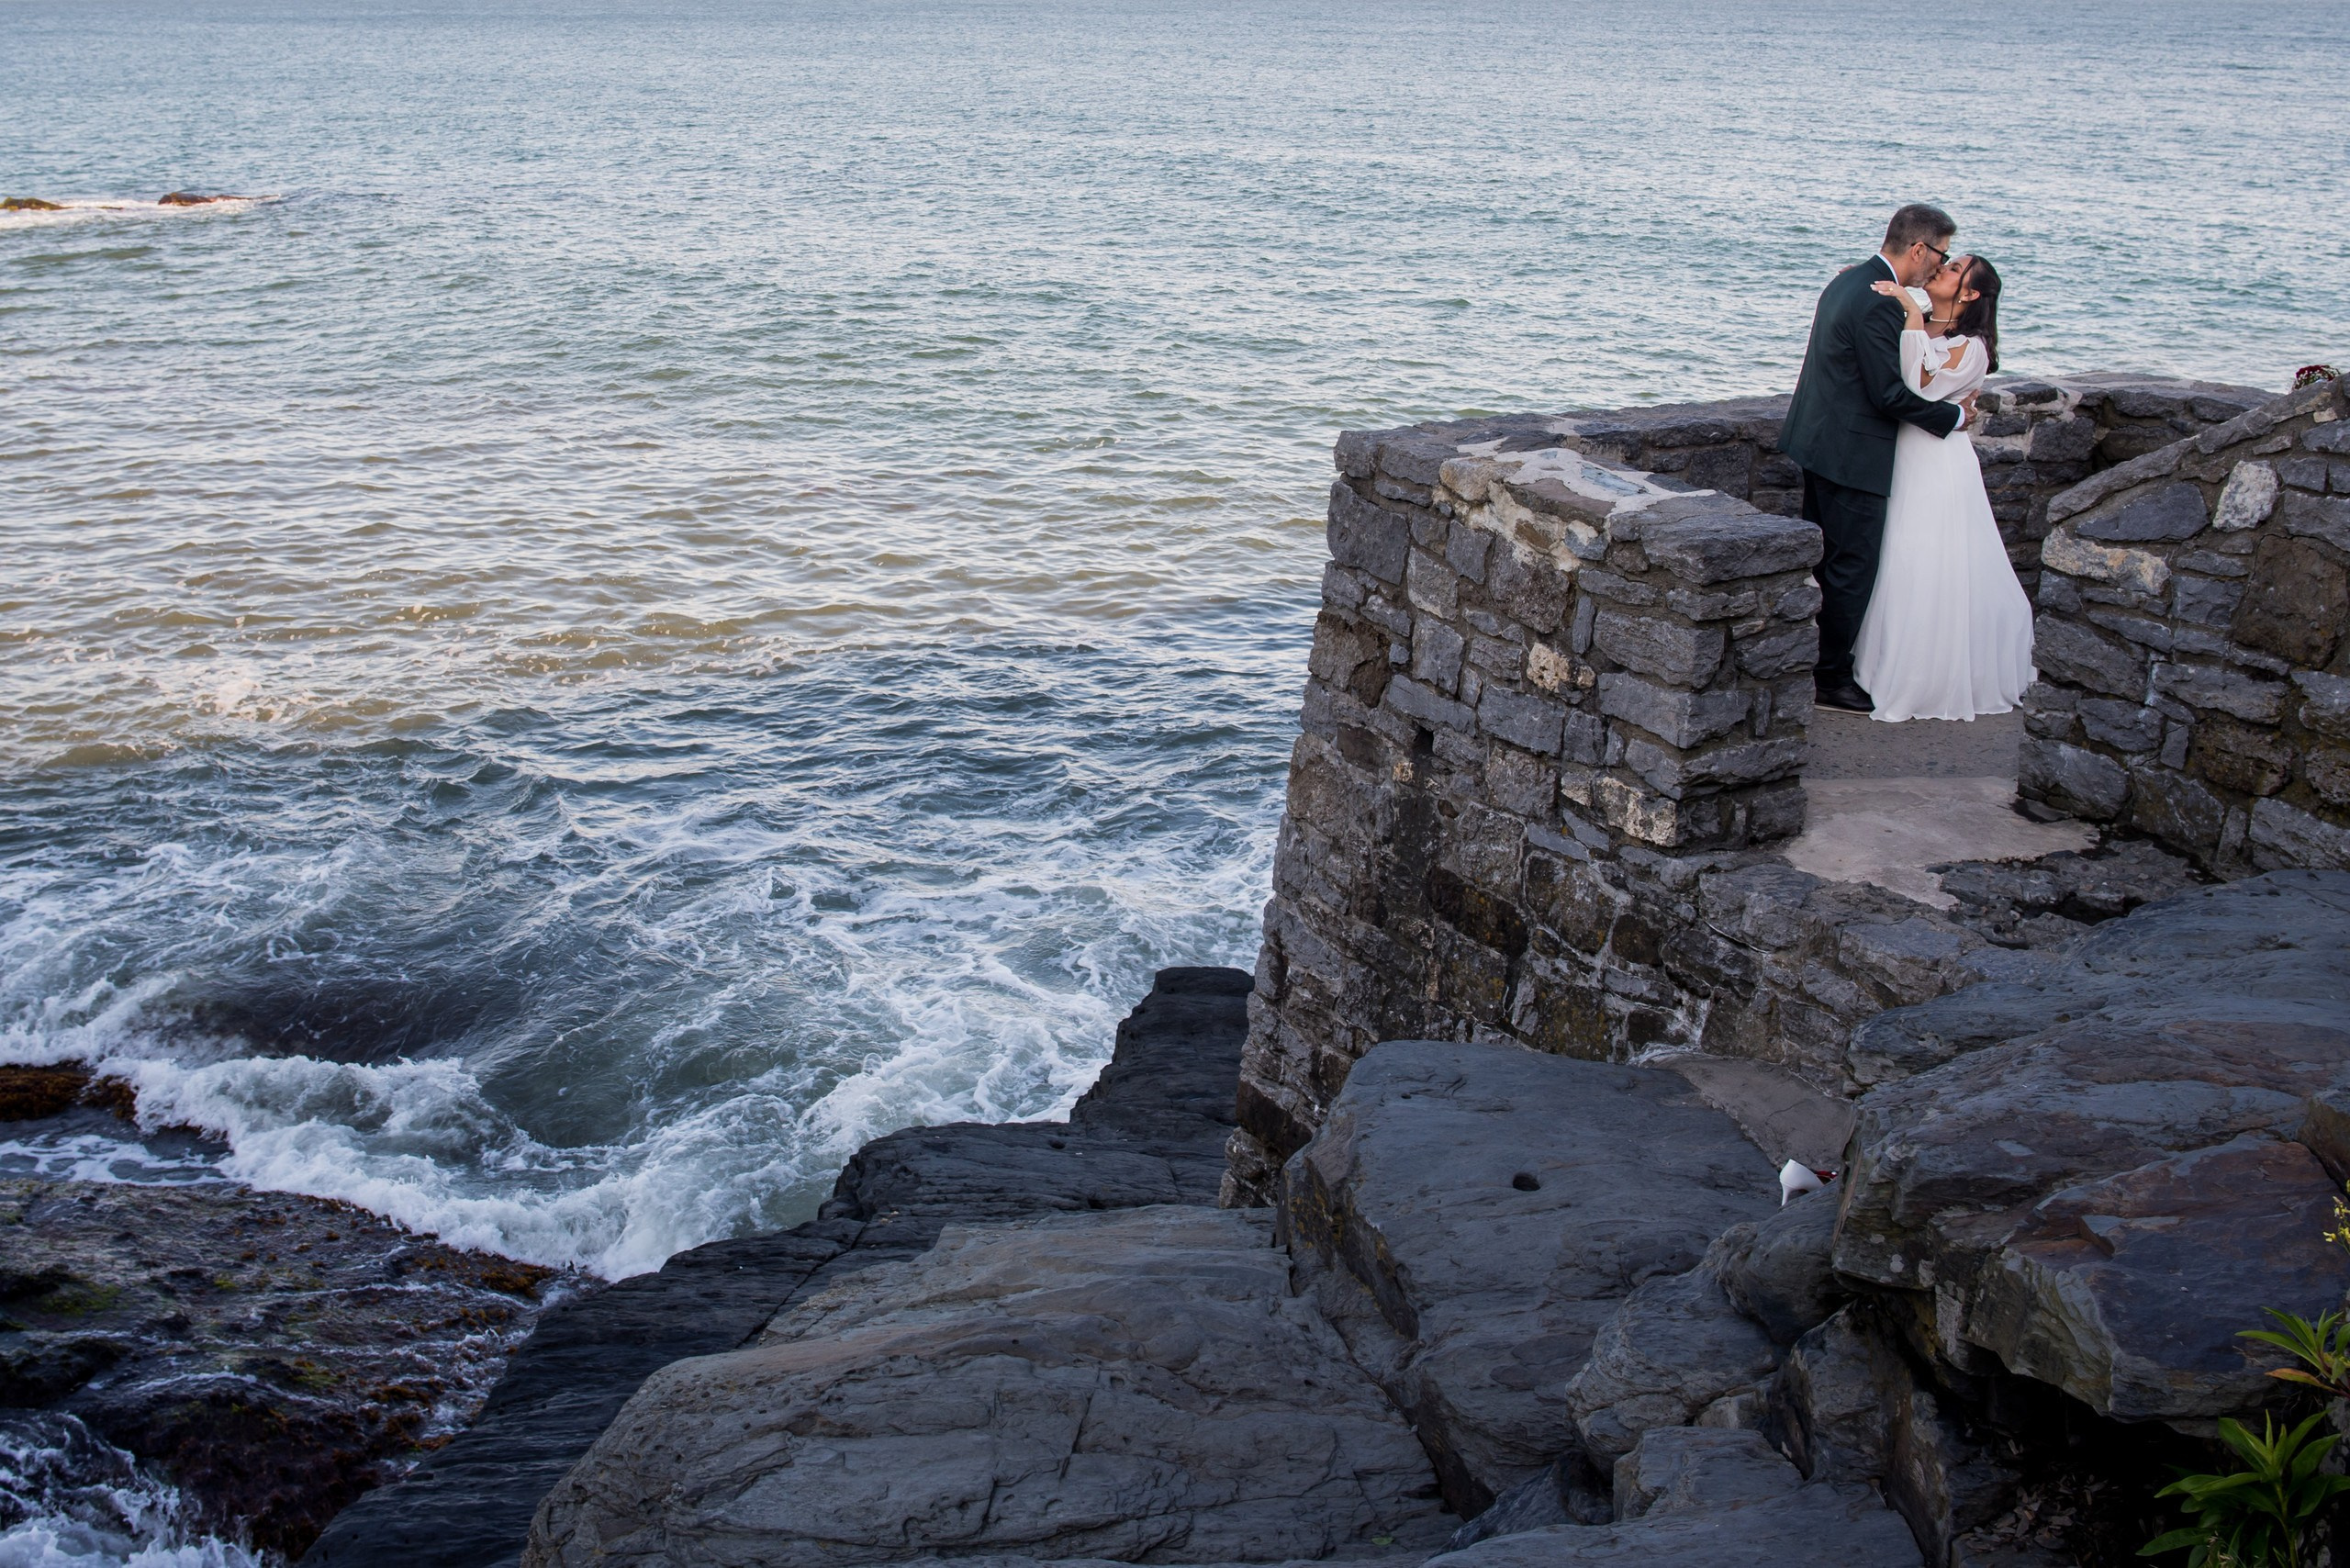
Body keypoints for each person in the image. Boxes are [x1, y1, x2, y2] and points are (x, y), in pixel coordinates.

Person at [1778, 205, 1975, 713]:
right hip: (1852, 453)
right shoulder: (1878, 303)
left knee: (1827, 563)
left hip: (1820, 441)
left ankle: (1815, 660)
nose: (1941, 264)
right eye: (1942, 254)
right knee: (1850, 568)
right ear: (1919, 249)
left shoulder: (1850, 283)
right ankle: (1830, 679)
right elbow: (1888, 394)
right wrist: (1951, 418)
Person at [1851, 256, 2034, 720]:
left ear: (1970, 294)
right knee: (1892, 557)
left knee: (1924, 561)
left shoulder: (1972, 347)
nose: (1941, 269)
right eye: (1945, 262)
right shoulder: (1915, 322)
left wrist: (1911, 314)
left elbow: (1919, 387)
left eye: (1954, 269)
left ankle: (1923, 677)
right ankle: (1873, 663)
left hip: (1937, 464)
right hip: (1900, 456)